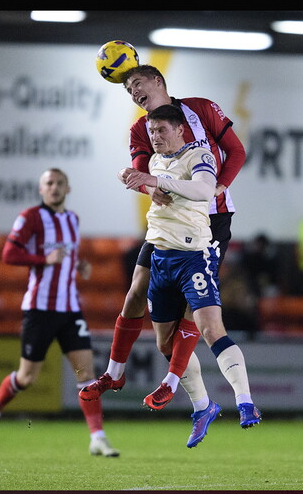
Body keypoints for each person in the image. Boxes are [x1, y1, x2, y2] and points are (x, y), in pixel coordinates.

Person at [79, 65, 249, 431]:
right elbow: (140, 173)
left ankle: (211, 397)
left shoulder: (201, 108)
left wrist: (219, 186)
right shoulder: (140, 130)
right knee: (140, 300)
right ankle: (124, 376)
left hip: (210, 224)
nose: (133, 93)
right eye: (127, 90)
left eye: (137, 84)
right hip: (165, 228)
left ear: (158, 81)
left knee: (200, 317)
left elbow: (236, 151)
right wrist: (145, 186)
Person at [119, 104, 262, 447]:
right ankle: (203, 407)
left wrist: (153, 181)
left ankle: (246, 402)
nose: (156, 137)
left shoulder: (200, 155)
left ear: (181, 129)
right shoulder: (155, 161)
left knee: (211, 328)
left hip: (195, 257)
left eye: (162, 130)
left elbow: (203, 189)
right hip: (161, 258)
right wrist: (133, 178)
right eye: (152, 131)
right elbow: (140, 177)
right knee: (164, 343)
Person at [0, 168, 119, 457]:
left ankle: (98, 437)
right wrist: (44, 259)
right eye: (49, 183)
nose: (54, 188)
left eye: (59, 183)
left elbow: (69, 252)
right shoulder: (30, 217)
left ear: (68, 189)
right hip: (39, 309)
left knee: (86, 374)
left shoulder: (73, 220)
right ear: (41, 189)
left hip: (70, 309)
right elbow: (9, 254)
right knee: (27, 378)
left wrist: (79, 265)